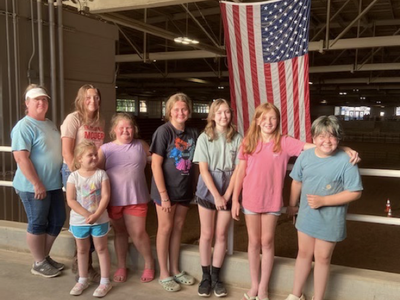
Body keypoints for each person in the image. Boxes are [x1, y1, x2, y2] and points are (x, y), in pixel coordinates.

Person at [232, 103, 359, 300]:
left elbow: (317, 145)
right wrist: (234, 199)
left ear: (278, 121)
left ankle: (264, 289)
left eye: (272, 118)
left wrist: (343, 148)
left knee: (266, 241)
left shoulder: (284, 142)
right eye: (263, 118)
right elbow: (240, 171)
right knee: (253, 242)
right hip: (250, 199)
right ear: (256, 121)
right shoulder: (247, 142)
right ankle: (254, 285)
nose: (268, 122)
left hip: (272, 200)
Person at [285, 116, 363, 300]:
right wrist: (291, 204)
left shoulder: (347, 161)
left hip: (330, 219)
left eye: (332, 136)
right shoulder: (305, 156)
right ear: (313, 138)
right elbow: (296, 182)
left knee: (322, 258)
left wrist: (324, 201)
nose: (326, 141)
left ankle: (318, 298)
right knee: (303, 254)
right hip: (306, 215)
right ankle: (296, 294)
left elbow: (355, 192)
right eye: (321, 136)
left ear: (338, 138)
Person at [11, 84, 66, 278]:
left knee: (58, 219)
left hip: (53, 183)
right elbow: (21, 158)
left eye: (44, 99)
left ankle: (44, 256)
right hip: (34, 186)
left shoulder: (49, 123)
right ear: (27, 103)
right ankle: (38, 262)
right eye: (37, 100)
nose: (41, 102)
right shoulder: (23, 126)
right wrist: (37, 183)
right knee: (37, 223)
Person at [193, 99, 242, 297]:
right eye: (219, 112)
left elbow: (239, 169)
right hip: (208, 187)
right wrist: (216, 196)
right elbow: (203, 169)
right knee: (206, 234)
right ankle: (205, 276)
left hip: (228, 184)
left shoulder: (238, 138)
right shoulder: (205, 138)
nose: (224, 116)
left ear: (231, 114)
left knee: (221, 235)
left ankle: (216, 276)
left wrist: (228, 195)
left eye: (227, 112)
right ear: (213, 115)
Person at [98, 113, 155, 283]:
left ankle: (149, 264)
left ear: (134, 129)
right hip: (113, 199)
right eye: (121, 128)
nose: (125, 131)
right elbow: (96, 173)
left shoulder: (141, 145)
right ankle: (121, 265)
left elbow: (156, 162)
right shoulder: (105, 149)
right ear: (114, 130)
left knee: (138, 233)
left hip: (136, 197)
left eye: (129, 127)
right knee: (120, 233)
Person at [150, 93, 198, 292]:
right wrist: (163, 195)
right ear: (169, 111)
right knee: (165, 229)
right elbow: (155, 165)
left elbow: (196, 164)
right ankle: (164, 273)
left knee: (178, 228)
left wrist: (194, 187)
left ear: (189, 111)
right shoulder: (164, 132)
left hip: (184, 190)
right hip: (166, 192)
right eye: (176, 109)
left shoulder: (193, 133)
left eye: (184, 109)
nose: (180, 112)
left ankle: (175, 268)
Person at [60, 84, 105, 281]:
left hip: (94, 172)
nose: (93, 101)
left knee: (95, 215)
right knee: (81, 216)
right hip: (76, 173)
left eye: (96, 97)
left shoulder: (99, 121)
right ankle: (84, 265)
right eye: (88, 98)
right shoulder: (73, 119)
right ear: (81, 99)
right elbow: (67, 151)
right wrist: (76, 175)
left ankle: (81, 262)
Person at [66, 141, 112, 297]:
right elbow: (71, 199)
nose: (94, 157)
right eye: (89, 155)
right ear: (79, 158)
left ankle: (105, 281)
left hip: (100, 220)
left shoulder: (101, 174)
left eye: (95, 154)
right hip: (80, 221)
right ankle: (83, 279)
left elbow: (106, 196)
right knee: (82, 250)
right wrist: (87, 215)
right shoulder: (73, 177)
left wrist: (97, 215)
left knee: (101, 248)